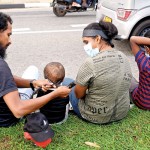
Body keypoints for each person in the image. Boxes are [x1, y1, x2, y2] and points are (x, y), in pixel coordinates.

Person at [0, 12, 71, 127]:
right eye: (8, 35)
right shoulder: (2, 67)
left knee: (32, 74)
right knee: (33, 69)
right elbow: (18, 110)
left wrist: (33, 83)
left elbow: (5, 79)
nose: (10, 41)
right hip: (6, 118)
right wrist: (55, 94)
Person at [67, 21, 132, 124]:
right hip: (121, 113)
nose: (85, 46)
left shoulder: (90, 63)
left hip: (95, 116)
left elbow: (79, 95)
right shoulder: (123, 57)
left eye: (86, 42)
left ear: (97, 39)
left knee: (68, 82)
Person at [130, 31, 150, 110]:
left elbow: (132, 39)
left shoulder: (144, 62)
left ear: (147, 49)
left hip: (142, 103)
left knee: (128, 78)